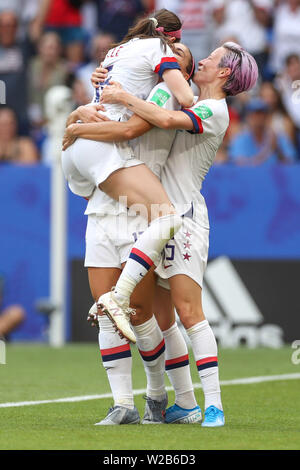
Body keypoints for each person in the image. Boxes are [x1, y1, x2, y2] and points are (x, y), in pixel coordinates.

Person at [64, 41, 258, 426]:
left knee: (187, 313)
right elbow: (135, 107)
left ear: (223, 73)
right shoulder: (169, 93)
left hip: (179, 215)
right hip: (153, 209)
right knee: (162, 317)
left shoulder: (207, 108)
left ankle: (211, 405)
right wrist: (101, 90)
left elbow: (155, 122)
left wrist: (96, 113)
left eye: (208, 58)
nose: (201, 57)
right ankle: (181, 402)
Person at [61, 9, 194, 344]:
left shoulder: (138, 72)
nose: (174, 55)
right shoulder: (155, 72)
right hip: (115, 173)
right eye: (175, 49)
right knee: (147, 310)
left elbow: (130, 120)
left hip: (103, 169)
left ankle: (147, 397)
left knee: (153, 314)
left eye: (182, 57)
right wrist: (81, 116)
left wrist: (78, 123)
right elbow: (125, 121)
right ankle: (117, 299)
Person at [228, 98, 297, 166]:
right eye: (255, 115)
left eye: (262, 114)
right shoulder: (240, 139)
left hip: (273, 177)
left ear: (267, 117)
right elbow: (239, 165)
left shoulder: (278, 137)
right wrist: (266, 152)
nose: (258, 119)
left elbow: (291, 163)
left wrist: (279, 150)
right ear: (248, 118)